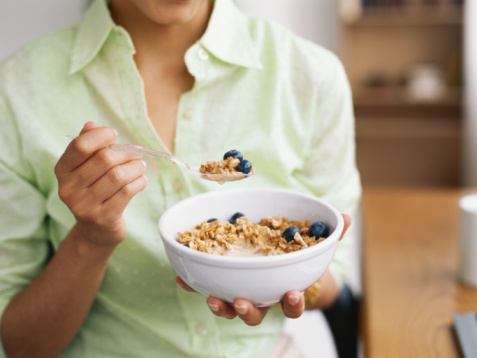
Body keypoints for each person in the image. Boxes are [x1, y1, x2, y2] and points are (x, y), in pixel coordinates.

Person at [0, 0, 360, 356]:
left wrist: (282, 282)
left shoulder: (310, 76)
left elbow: (333, 276)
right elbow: (20, 344)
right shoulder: (19, 92)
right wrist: (91, 239)